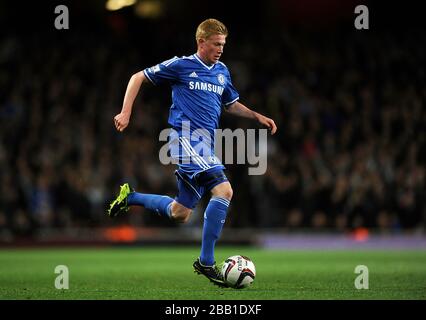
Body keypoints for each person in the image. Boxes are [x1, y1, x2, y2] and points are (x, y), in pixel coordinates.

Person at [108, 18, 277, 287]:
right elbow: (137, 76)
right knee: (224, 191)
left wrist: (257, 116)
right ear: (201, 42)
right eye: (216, 44)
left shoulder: (222, 71)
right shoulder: (182, 65)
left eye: (223, 44)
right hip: (184, 139)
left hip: (205, 145)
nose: (221, 49)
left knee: (180, 212)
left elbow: (230, 105)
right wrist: (126, 111)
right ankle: (207, 262)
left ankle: (131, 197)